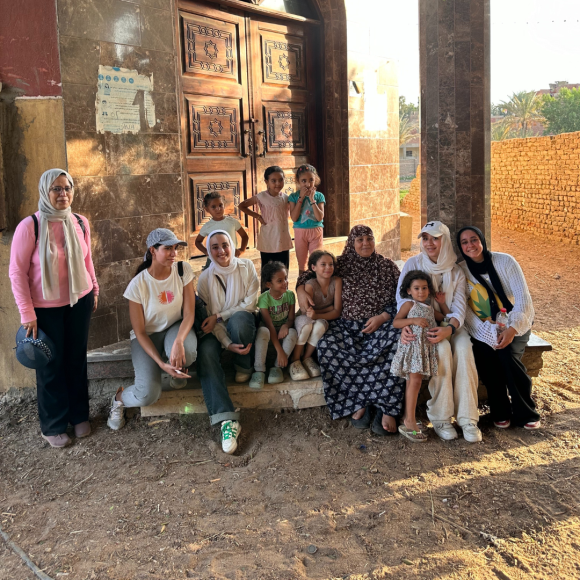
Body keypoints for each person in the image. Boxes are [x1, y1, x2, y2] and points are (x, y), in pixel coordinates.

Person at [9, 168, 99, 448]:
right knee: (50, 366)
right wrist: (27, 314)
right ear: (45, 192)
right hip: (44, 310)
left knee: (76, 360)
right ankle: (54, 424)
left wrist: (94, 289)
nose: (63, 194)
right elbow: (17, 272)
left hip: (79, 302)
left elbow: (87, 261)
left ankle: (79, 416)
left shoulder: (80, 222)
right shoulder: (31, 226)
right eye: (56, 189)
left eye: (68, 188)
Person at [296, 225, 405, 435]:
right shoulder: (339, 264)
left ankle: (387, 407)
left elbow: (404, 295)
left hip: (380, 325)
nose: (365, 243)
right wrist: (301, 291)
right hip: (345, 326)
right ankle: (358, 400)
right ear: (351, 242)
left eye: (369, 238)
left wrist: (383, 316)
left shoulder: (386, 266)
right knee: (328, 346)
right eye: (360, 239)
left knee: (398, 342)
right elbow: (308, 274)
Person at [396, 221, 482, 443]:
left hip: (451, 325)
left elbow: (460, 308)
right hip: (425, 327)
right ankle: (442, 418)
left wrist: (450, 328)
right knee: (441, 350)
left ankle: (468, 418)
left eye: (435, 238)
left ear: (444, 240)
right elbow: (402, 299)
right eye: (425, 238)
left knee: (463, 349)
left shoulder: (455, 271)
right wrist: (406, 325)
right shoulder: (413, 263)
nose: (429, 243)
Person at [457, 226, 540, 430]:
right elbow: (464, 308)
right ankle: (500, 410)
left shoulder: (506, 262)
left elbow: (523, 300)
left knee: (506, 354)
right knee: (486, 356)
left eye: (474, 239)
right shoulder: (461, 270)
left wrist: (511, 329)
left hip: (514, 322)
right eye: (464, 242)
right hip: (483, 326)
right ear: (460, 247)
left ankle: (525, 411)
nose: (470, 245)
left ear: (482, 240)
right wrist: (486, 331)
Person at [391, 270, 451, 442]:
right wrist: (412, 321)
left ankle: (408, 417)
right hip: (412, 349)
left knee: (413, 382)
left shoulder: (430, 308)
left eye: (424, 288)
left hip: (423, 350)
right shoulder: (409, 306)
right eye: (416, 288)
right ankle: (409, 421)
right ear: (409, 291)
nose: (421, 292)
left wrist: (443, 303)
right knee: (414, 382)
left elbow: (446, 317)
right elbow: (396, 322)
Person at [196, 229, 259, 386]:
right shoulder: (205, 278)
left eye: (225, 245)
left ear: (232, 245)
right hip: (218, 327)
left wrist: (220, 316)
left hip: (243, 321)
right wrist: (226, 342)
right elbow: (209, 317)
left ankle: (243, 365)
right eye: (215, 247)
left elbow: (249, 305)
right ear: (209, 251)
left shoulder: (246, 266)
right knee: (207, 349)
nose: (221, 251)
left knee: (239, 319)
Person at [290, 250, 342, 381]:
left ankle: (307, 358)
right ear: (313, 267)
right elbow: (306, 313)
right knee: (307, 325)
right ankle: (294, 360)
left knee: (320, 326)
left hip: (319, 318)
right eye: (323, 264)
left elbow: (337, 311)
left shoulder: (336, 282)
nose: (328, 268)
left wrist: (317, 314)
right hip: (304, 318)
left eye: (331, 264)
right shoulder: (310, 285)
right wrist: (327, 309)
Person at [250, 262, 297, 389]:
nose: (285, 282)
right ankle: (259, 370)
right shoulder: (264, 299)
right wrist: (279, 351)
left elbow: (291, 318)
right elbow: (269, 326)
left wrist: (286, 325)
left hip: (282, 332)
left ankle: (277, 367)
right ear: (269, 284)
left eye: (286, 278)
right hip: (269, 334)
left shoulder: (290, 295)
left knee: (292, 333)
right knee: (263, 331)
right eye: (280, 281)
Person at [239, 166, 293, 270]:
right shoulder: (261, 197)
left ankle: (283, 287)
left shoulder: (286, 198)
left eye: (281, 180)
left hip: (283, 240)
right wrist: (258, 216)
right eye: (273, 181)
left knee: (283, 270)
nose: (277, 183)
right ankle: (266, 287)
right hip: (268, 240)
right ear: (266, 181)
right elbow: (242, 206)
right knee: (268, 272)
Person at [195, 191, 249, 269]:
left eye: (220, 205)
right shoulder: (207, 226)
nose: (218, 209)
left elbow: (244, 236)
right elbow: (197, 242)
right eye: (213, 207)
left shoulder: (232, 221)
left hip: (231, 258)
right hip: (214, 261)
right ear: (207, 209)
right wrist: (207, 252)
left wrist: (242, 250)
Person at [288, 164, 325, 275]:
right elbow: (294, 218)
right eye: (304, 181)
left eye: (311, 180)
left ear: (315, 180)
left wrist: (312, 200)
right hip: (300, 232)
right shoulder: (293, 197)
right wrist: (301, 198)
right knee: (302, 264)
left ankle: (316, 288)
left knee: (317, 262)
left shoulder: (319, 196)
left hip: (316, 231)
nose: (308, 184)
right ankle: (302, 287)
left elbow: (319, 217)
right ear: (298, 181)